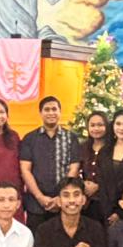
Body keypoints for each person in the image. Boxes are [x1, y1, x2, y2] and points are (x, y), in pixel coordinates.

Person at [19, 96, 81, 231]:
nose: (51, 113)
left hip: (64, 203)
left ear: (60, 112)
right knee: (36, 239)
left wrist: (61, 197)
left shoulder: (71, 138)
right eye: (47, 110)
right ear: (40, 113)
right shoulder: (30, 138)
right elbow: (25, 170)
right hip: (36, 203)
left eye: (54, 109)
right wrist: (40, 197)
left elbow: (74, 168)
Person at [80, 111, 111, 219]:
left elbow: (117, 175)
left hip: (107, 201)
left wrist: (98, 186)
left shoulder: (113, 148)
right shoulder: (83, 147)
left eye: (100, 125)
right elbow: (76, 170)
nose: (96, 128)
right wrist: (83, 184)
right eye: (92, 125)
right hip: (86, 202)